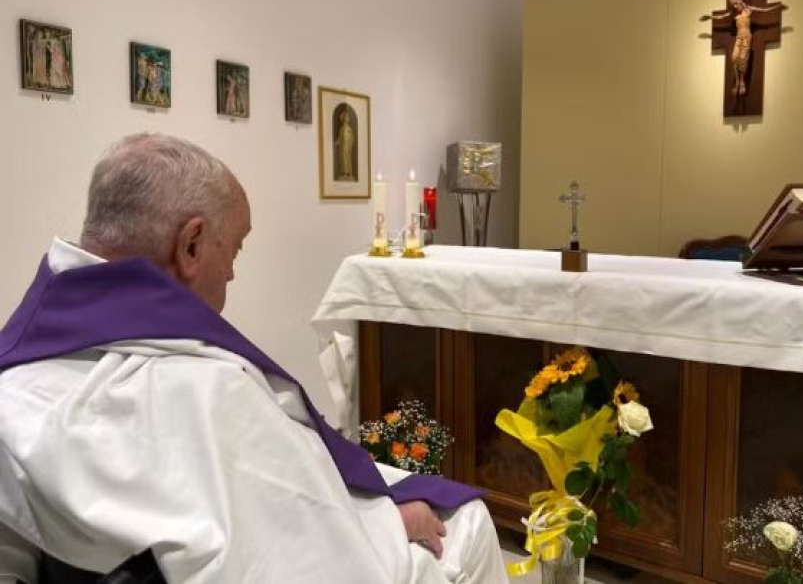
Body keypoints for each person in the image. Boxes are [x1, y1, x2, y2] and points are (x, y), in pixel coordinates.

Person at [0, 133, 506, 583]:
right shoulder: (204, 387)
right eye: (234, 250)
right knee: (467, 525)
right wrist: (385, 522)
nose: (233, 276)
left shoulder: (19, 361)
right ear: (191, 245)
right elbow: (298, 546)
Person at [700, 0, 786, 96]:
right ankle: (737, 81)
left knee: (742, 58)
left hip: (746, 37)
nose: (735, 6)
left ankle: (742, 81)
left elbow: (764, 10)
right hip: (738, 37)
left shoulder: (749, 10)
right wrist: (709, 17)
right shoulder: (733, 13)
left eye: (736, 3)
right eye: (733, 5)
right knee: (734, 58)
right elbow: (722, 17)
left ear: (740, 0)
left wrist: (778, 7)